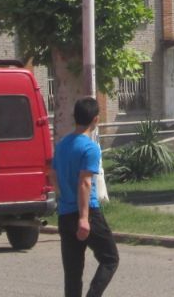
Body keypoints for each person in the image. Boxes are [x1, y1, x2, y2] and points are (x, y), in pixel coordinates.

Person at [53, 97, 119, 297]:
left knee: (72, 272)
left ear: (75, 117)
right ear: (96, 119)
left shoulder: (62, 145)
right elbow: (85, 182)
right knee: (110, 258)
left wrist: (63, 198)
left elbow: (53, 175)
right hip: (87, 212)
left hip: (65, 213)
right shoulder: (89, 148)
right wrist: (83, 218)